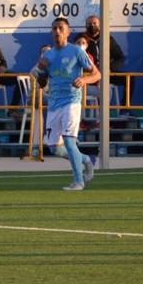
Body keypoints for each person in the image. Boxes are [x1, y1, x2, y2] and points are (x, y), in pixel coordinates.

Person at [34, 17, 101, 191]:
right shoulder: (48, 55)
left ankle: (78, 182)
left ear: (68, 32)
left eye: (61, 28)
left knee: (69, 142)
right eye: (54, 28)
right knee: (54, 148)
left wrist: (84, 80)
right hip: (54, 103)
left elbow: (97, 74)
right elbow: (42, 82)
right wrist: (40, 72)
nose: (57, 31)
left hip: (71, 101)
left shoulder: (76, 51)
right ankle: (86, 159)